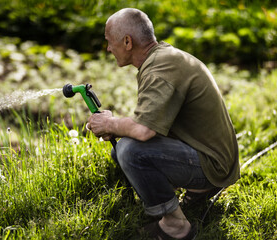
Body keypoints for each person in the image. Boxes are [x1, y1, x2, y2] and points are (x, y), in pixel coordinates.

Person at [86, 8, 240, 239]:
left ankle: (176, 226)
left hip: (213, 164)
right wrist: (114, 124)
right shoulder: (163, 57)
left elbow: (144, 130)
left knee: (130, 151)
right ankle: (199, 190)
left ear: (127, 41)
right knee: (122, 150)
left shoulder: (160, 70)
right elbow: (149, 121)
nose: (108, 48)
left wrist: (110, 124)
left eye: (110, 42)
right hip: (211, 154)